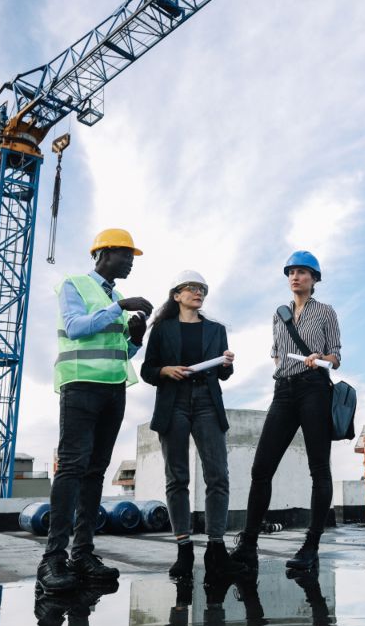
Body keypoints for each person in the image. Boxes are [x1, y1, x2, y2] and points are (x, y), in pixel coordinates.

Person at [36, 228, 153, 595]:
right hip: (80, 387)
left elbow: (121, 352)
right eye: (126, 256)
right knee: (72, 467)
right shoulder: (75, 285)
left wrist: (135, 337)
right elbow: (75, 328)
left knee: (95, 471)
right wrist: (118, 308)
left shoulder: (115, 297)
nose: (131, 263)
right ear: (104, 253)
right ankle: (52, 559)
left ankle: (82, 553)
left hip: (112, 390)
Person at [230, 250, 341, 573]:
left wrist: (321, 357)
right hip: (283, 391)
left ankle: (311, 545)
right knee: (261, 468)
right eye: (291, 272)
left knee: (319, 468)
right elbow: (277, 355)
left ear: (315, 279)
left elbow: (336, 356)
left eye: (303, 272)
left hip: (315, 389)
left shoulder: (326, 313)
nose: (296, 277)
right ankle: (248, 544)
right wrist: (284, 374)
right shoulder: (279, 314)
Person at [141, 270, 244, 579]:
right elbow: (147, 370)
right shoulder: (161, 329)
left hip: (207, 402)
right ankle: (183, 549)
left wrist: (227, 364)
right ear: (177, 295)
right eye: (191, 288)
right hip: (173, 402)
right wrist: (164, 371)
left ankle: (216, 548)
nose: (198, 292)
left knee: (218, 476)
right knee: (177, 478)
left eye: (201, 289)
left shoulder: (216, 330)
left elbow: (223, 374)